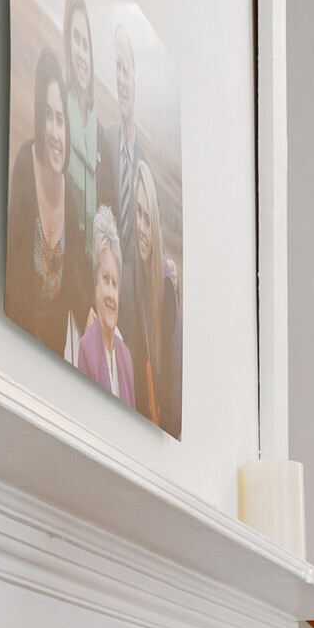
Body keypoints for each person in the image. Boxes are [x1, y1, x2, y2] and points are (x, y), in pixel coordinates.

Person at [2, 50, 77, 356]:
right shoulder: (24, 165)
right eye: (48, 116)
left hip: (52, 364)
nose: (55, 132)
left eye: (60, 119)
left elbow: (75, 289)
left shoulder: (71, 196)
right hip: (14, 352)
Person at [118, 158, 180, 434]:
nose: (142, 228)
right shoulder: (131, 275)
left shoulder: (165, 286)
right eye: (137, 213)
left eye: (147, 217)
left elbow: (170, 380)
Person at [73, 205, 134, 407]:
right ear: (96, 284)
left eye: (114, 283)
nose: (110, 293)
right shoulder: (86, 348)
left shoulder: (126, 357)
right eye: (105, 279)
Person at [61, 0, 101, 260]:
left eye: (86, 44)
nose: (81, 53)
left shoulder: (101, 136)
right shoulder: (59, 115)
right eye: (76, 40)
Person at [101, 27, 143, 254]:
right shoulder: (103, 142)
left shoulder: (145, 170)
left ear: (136, 86)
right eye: (118, 67)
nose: (121, 79)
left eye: (127, 71)